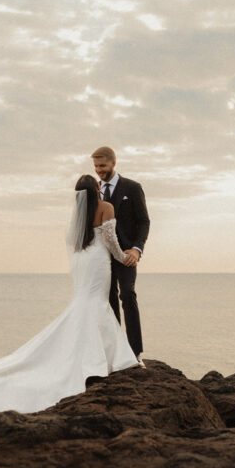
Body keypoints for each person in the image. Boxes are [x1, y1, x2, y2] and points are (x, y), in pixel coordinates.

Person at [0, 175, 140, 414]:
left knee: (85, 301)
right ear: (96, 189)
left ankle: (97, 353)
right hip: (97, 260)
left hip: (81, 261)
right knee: (96, 302)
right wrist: (124, 258)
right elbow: (111, 240)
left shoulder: (78, 212)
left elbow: (73, 241)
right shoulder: (106, 207)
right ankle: (102, 357)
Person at [91, 146, 149, 358]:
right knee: (108, 300)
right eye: (96, 166)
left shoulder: (133, 188)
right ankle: (116, 350)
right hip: (102, 257)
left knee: (127, 293)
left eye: (103, 165)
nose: (99, 170)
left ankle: (135, 353)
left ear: (114, 163)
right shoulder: (94, 190)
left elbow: (144, 221)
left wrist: (136, 249)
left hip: (126, 255)